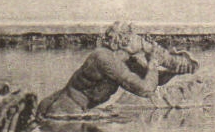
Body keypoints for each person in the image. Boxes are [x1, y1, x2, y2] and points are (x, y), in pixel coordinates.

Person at [37, 21, 200, 117]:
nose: (143, 41)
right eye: (138, 37)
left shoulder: (126, 59)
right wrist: (154, 63)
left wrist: (173, 69)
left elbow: (153, 80)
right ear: (125, 41)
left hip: (75, 111)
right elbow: (146, 90)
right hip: (63, 110)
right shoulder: (104, 58)